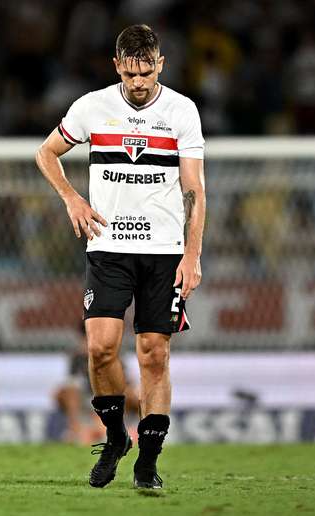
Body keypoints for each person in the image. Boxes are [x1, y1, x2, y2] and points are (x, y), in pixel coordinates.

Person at [35, 24, 205, 490]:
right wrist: (72, 198)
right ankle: (114, 438)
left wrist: (192, 255)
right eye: (130, 73)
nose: (138, 82)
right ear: (117, 67)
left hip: (164, 252)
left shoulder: (181, 112)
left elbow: (194, 189)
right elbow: (46, 154)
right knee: (100, 347)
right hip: (108, 246)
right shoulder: (92, 107)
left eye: (146, 72)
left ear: (160, 65)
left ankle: (148, 461)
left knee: (153, 354)